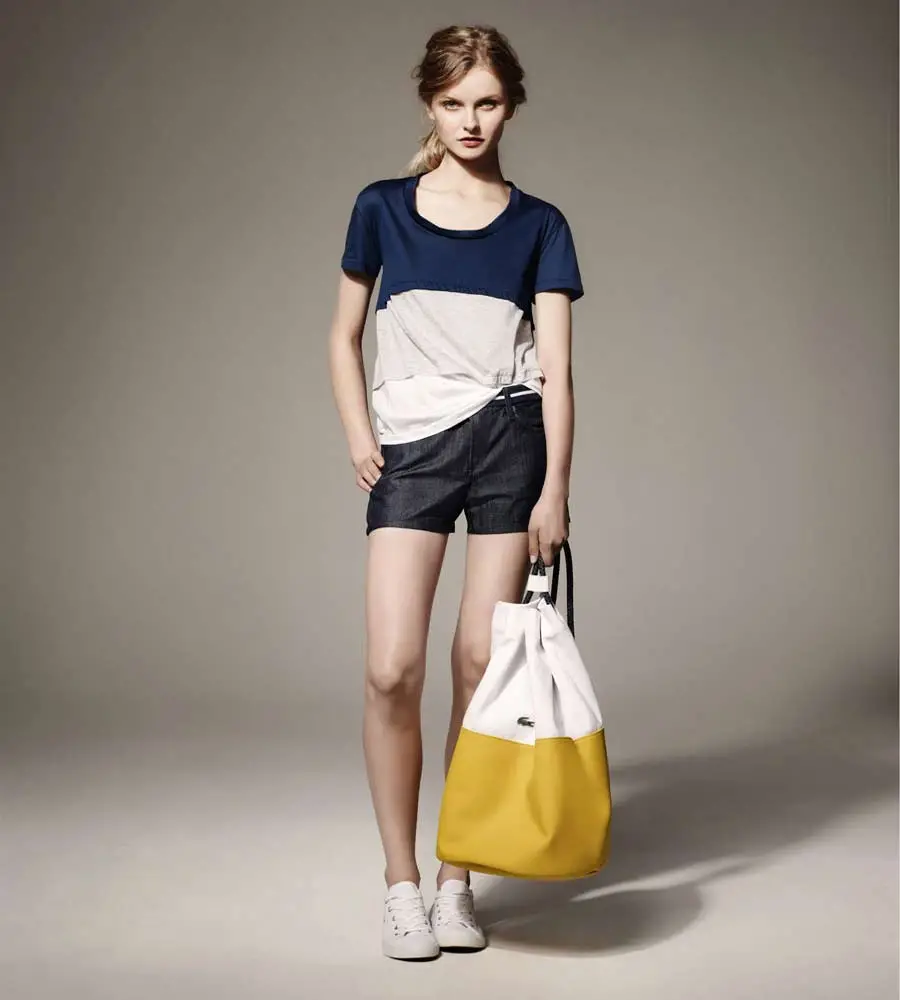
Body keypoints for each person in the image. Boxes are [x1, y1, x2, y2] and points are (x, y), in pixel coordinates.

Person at [327, 23, 584, 961]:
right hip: (415, 448)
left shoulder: (540, 224)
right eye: (452, 103)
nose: (470, 121)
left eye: (487, 102)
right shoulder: (383, 207)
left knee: (480, 665)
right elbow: (342, 335)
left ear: (511, 106)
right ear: (428, 105)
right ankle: (400, 885)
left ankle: (454, 881)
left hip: (512, 445)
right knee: (392, 667)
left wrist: (556, 488)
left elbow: (557, 371)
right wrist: (362, 435)